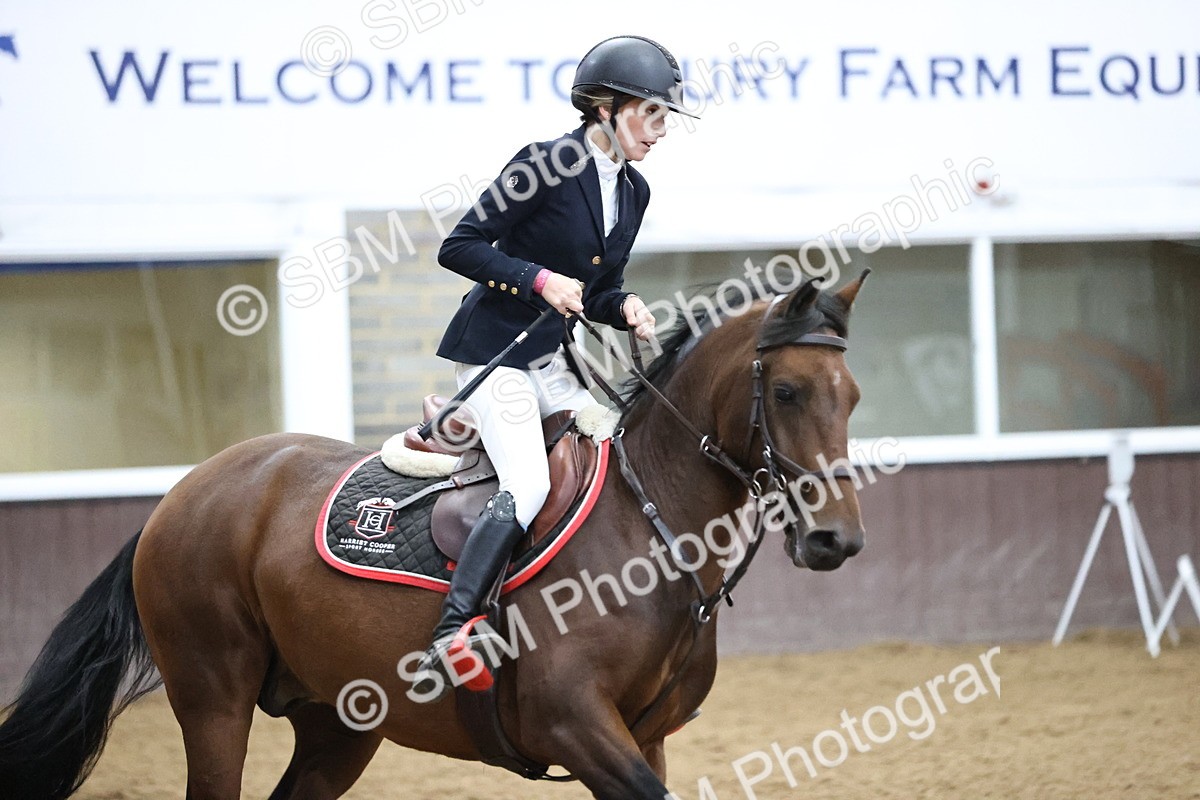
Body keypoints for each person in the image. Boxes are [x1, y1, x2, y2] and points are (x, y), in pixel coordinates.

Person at [412, 35, 699, 698]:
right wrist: (538, 279)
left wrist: (623, 305)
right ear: (605, 107)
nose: (659, 132)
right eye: (651, 115)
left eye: (664, 119)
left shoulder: (635, 190)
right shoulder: (542, 165)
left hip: (555, 363)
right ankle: (455, 628)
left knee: (621, 461)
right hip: (496, 356)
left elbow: (597, 289)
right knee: (530, 483)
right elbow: (460, 247)